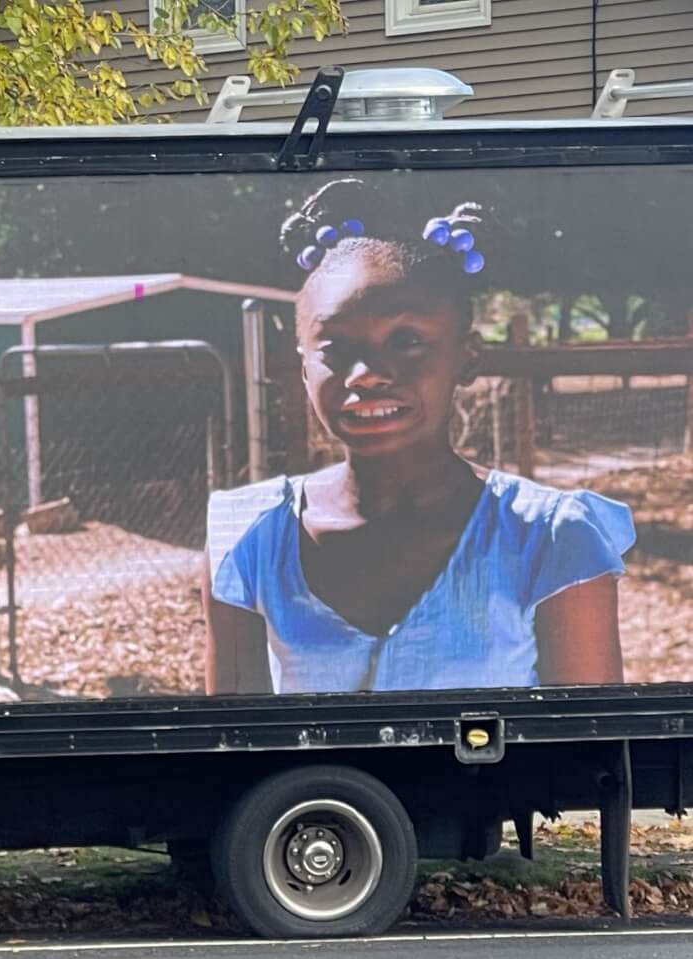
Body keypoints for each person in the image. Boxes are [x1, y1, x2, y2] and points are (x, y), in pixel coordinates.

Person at [203, 178, 635, 696]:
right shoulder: (249, 537)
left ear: (467, 358)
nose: (365, 374)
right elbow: (233, 749)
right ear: (302, 367)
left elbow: (589, 754)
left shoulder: (553, 540)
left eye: (407, 341)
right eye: (336, 347)